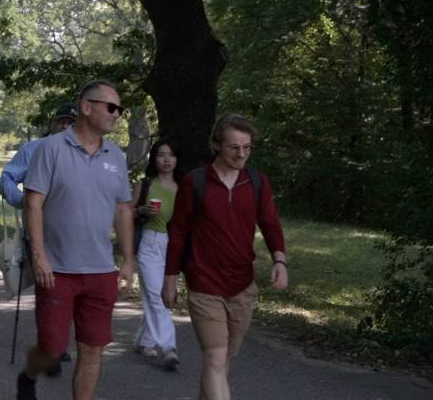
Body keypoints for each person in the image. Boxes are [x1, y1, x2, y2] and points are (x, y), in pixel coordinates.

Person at [16, 80, 137, 400]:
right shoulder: (51, 149)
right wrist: (39, 255)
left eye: (119, 109)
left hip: (101, 271)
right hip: (57, 270)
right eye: (111, 107)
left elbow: (124, 209)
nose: (117, 114)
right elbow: (33, 203)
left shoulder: (117, 156)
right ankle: (28, 375)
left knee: (93, 350)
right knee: (51, 349)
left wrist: (128, 259)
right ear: (86, 107)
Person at [163, 114, 288, 400]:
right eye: (234, 147)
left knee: (222, 361)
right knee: (216, 359)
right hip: (204, 283)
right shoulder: (195, 182)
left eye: (247, 147)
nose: (241, 154)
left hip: (242, 285)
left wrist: (280, 261)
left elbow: (270, 223)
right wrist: (170, 279)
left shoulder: (257, 182)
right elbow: (179, 233)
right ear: (217, 144)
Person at [0, 105, 77, 369]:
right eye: (61, 121)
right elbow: (7, 177)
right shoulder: (34, 149)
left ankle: (58, 341)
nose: (66, 126)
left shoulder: (85, 152)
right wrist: (23, 200)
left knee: (70, 288)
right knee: (48, 285)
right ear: (53, 123)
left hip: (74, 231)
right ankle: (51, 345)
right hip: (39, 229)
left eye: (71, 122)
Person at [132, 139, 182, 371]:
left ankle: (144, 341)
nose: (166, 159)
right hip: (149, 243)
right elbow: (125, 214)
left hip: (172, 248)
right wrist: (142, 210)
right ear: (155, 158)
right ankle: (168, 347)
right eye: (161, 155)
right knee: (157, 296)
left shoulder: (184, 188)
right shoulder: (145, 185)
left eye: (171, 155)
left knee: (163, 295)